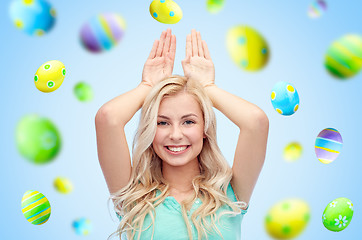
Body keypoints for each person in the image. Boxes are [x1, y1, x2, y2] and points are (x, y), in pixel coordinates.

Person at [95, 28, 269, 240]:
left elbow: (256, 122)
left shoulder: (230, 194)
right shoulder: (133, 198)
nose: (175, 135)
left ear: (205, 129)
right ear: (150, 129)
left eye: (188, 121)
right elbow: (108, 118)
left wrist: (207, 87)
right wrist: (148, 86)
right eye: (162, 123)